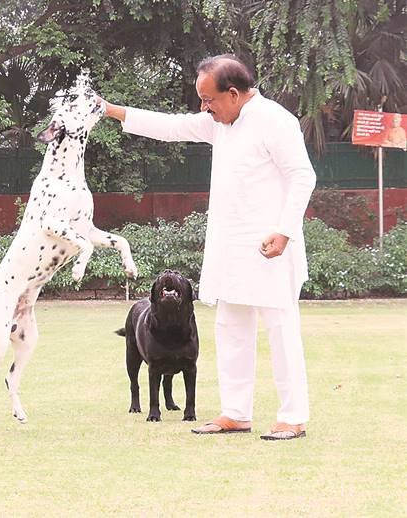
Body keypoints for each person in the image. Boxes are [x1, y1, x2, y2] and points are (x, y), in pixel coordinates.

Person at [101, 54, 317, 440]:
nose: (204, 108)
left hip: (272, 248)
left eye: (208, 100)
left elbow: (303, 177)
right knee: (230, 329)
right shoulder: (219, 123)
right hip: (230, 250)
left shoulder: (276, 120)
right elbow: (170, 126)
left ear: (233, 94)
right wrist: (109, 110)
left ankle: (293, 417)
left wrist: (284, 231)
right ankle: (236, 413)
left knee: (281, 330)